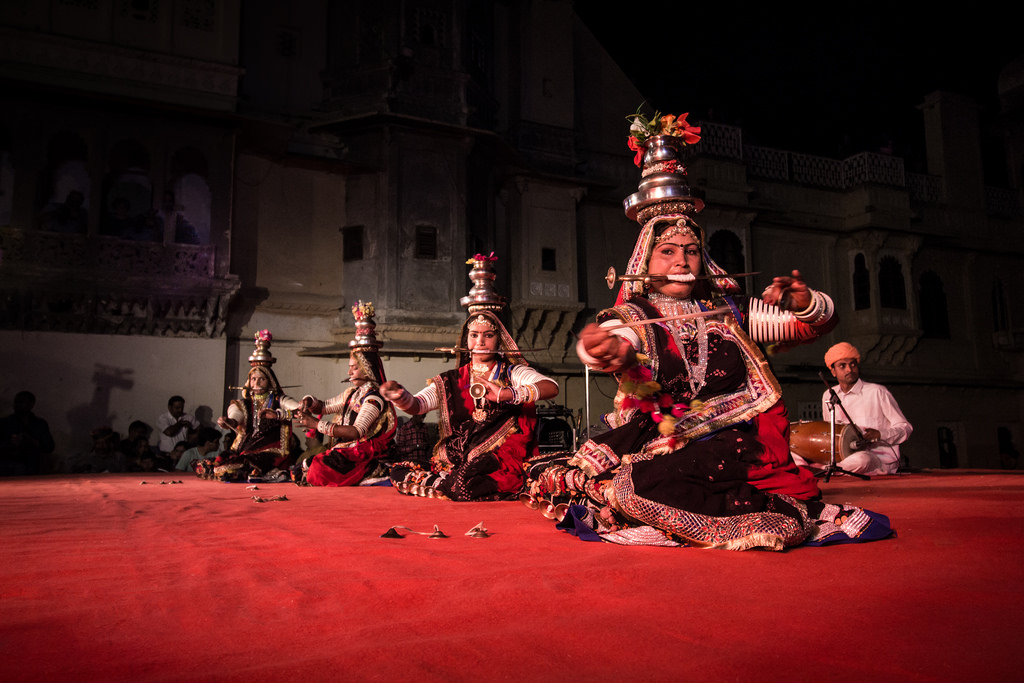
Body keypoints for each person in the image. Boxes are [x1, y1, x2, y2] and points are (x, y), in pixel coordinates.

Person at [524, 114, 891, 549]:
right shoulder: (638, 314)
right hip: (662, 431)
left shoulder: (727, 310)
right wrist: (602, 349)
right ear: (645, 262)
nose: (682, 261)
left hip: (737, 437)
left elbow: (816, 324)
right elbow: (617, 340)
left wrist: (806, 303)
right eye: (667, 252)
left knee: (638, 485)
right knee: (573, 474)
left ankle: (775, 517)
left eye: (692, 251)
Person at [382, 255, 559, 501]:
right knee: (399, 470)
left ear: (499, 341)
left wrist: (506, 394)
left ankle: (444, 484)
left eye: (488, 335)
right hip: (455, 459)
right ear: (466, 339)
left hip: (495, 458)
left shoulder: (511, 373)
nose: (480, 342)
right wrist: (401, 396)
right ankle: (445, 482)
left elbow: (551, 387)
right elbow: (418, 405)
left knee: (464, 482)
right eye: (474, 335)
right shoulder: (451, 380)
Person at [294, 301, 397, 487]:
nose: (349, 373)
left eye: (354, 368)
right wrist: (309, 401)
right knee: (304, 466)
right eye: (349, 368)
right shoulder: (352, 393)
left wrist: (316, 424)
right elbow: (325, 406)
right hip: (347, 448)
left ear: (368, 369)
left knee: (316, 467)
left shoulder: (374, 398)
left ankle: (374, 470)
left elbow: (356, 431)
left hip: (363, 450)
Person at [197, 330, 300, 482]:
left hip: (271, 451)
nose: (256, 383)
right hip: (245, 449)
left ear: (270, 381)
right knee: (216, 464)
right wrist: (229, 422)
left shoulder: (279, 400)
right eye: (253, 379)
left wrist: (278, 414)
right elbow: (236, 416)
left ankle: (272, 473)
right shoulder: (243, 404)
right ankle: (268, 474)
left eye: (261, 379)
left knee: (243, 465)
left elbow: (297, 410)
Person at [808, 342, 913, 475]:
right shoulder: (828, 395)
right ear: (833, 371)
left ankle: (822, 471)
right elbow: (831, 434)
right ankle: (829, 468)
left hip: (876, 458)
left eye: (853, 364)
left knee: (862, 459)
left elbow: (906, 428)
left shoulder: (877, 392)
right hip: (844, 457)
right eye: (842, 366)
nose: (849, 370)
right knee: (794, 452)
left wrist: (880, 434)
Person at [0, 391, 56, 476]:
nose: (18, 405)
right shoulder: (5, 423)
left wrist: (32, 442)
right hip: (9, 464)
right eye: (17, 402)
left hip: (33, 465)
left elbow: (49, 447)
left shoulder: (39, 424)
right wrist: (10, 443)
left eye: (22, 402)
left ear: (31, 404)